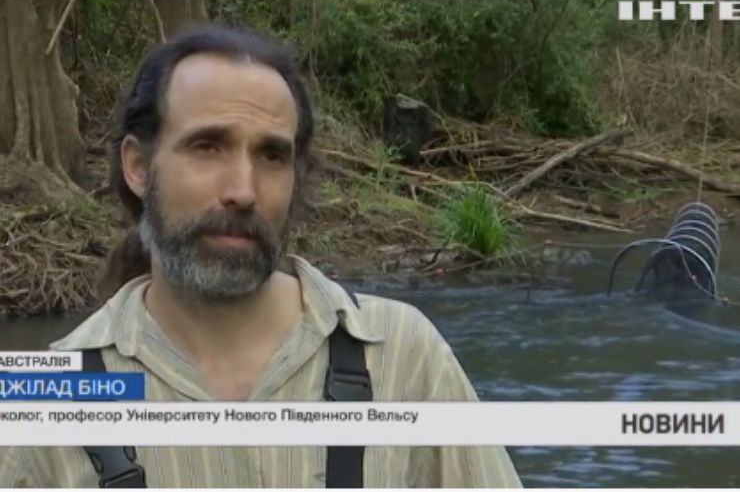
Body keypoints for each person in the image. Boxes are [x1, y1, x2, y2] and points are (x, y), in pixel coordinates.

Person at [0, 24, 522, 488]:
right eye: (207, 147)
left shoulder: (404, 356)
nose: (243, 190)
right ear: (138, 166)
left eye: (272, 155)